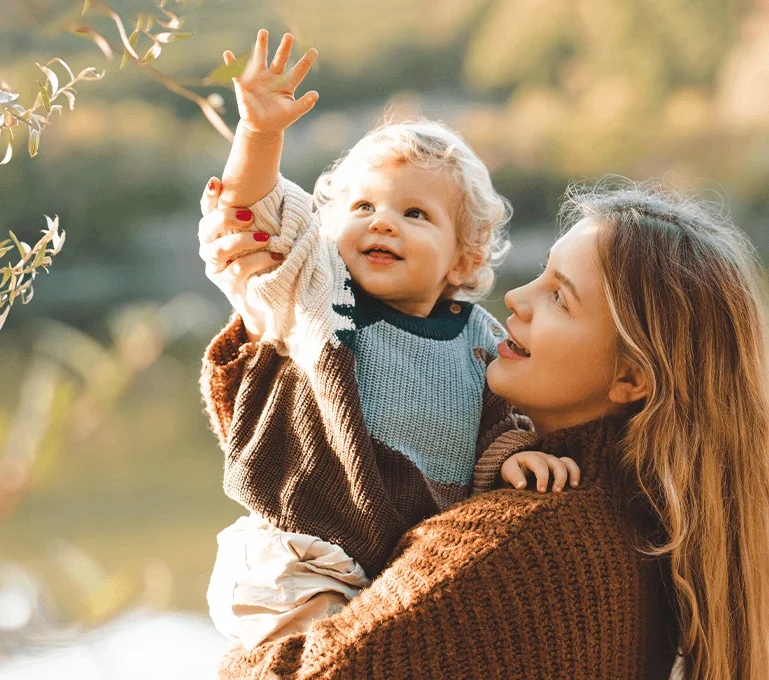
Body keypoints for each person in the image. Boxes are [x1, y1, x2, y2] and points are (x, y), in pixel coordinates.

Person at [198, 174, 769, 679]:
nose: (517, 297)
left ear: (631, 378)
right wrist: (273, 327)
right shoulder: (639, 527)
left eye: (559, 298)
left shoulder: (512, 544)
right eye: (540, 275)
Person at [200, 30, 579, 651]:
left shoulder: (479, 337)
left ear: (464, 259)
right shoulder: (317, 294)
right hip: (300, 555)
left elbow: (499, 420)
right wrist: (260, 135)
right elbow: (256, 212)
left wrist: (512, 458)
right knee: (329, 658)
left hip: (393, 565)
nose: (382, 221)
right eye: (363, 206)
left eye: (415, 214)